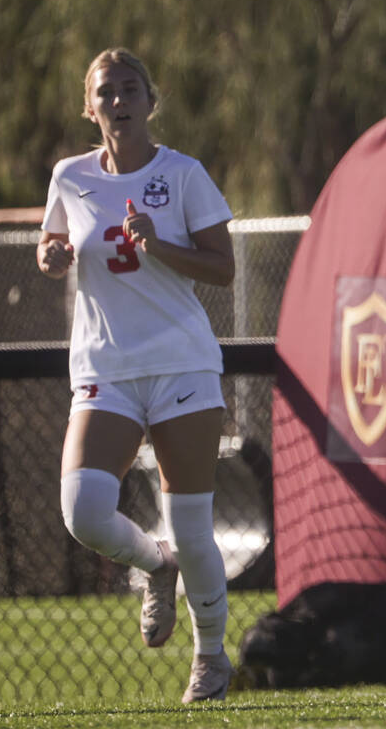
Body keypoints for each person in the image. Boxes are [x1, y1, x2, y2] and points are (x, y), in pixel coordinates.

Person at [36, 48, 235, 703]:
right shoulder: (69, 177)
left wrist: (161, 246)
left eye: (130, 88)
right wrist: (53, 255)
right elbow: (53, 247)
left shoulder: (183, 175)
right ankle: (157, 566)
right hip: (105, 368)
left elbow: (222, 268)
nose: (118, 100)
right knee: (85, 510)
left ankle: (210, 657)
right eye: (105, 92)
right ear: (88, 107)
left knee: (193, 525)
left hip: (181, 361)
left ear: (152, 100)